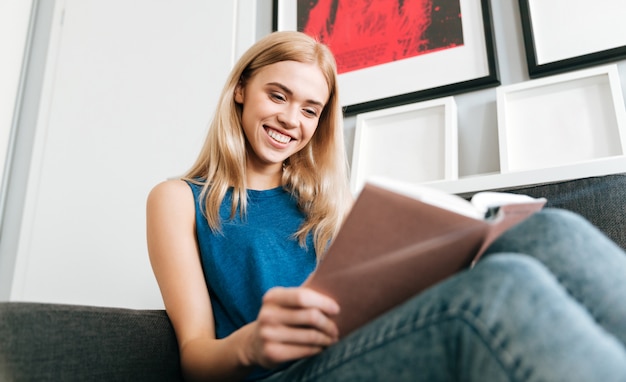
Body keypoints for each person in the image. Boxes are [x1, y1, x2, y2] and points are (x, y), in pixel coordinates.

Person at [146, 31, 626, 381]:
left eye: (310, 109)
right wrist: (250, 344)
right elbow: (194, 358)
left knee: (553, 231)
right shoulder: (178, 199)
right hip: (282, 376)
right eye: (278, 95)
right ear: (241, 91)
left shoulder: (330, 203)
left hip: (361, 350)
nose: (291, 119)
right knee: (505, 286)